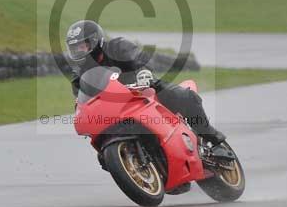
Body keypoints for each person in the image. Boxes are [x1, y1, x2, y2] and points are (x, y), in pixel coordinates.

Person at [65, 19, 226, 146]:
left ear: (95, 41)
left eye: (83, 46)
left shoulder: (118, 47)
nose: (80, 51)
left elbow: (140, 59)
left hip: (142, 88)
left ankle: (208, 133)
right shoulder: (80, 71)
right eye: (76, 48)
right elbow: (81, 95)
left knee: (186, 96)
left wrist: (143, 72)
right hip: (115, 106)